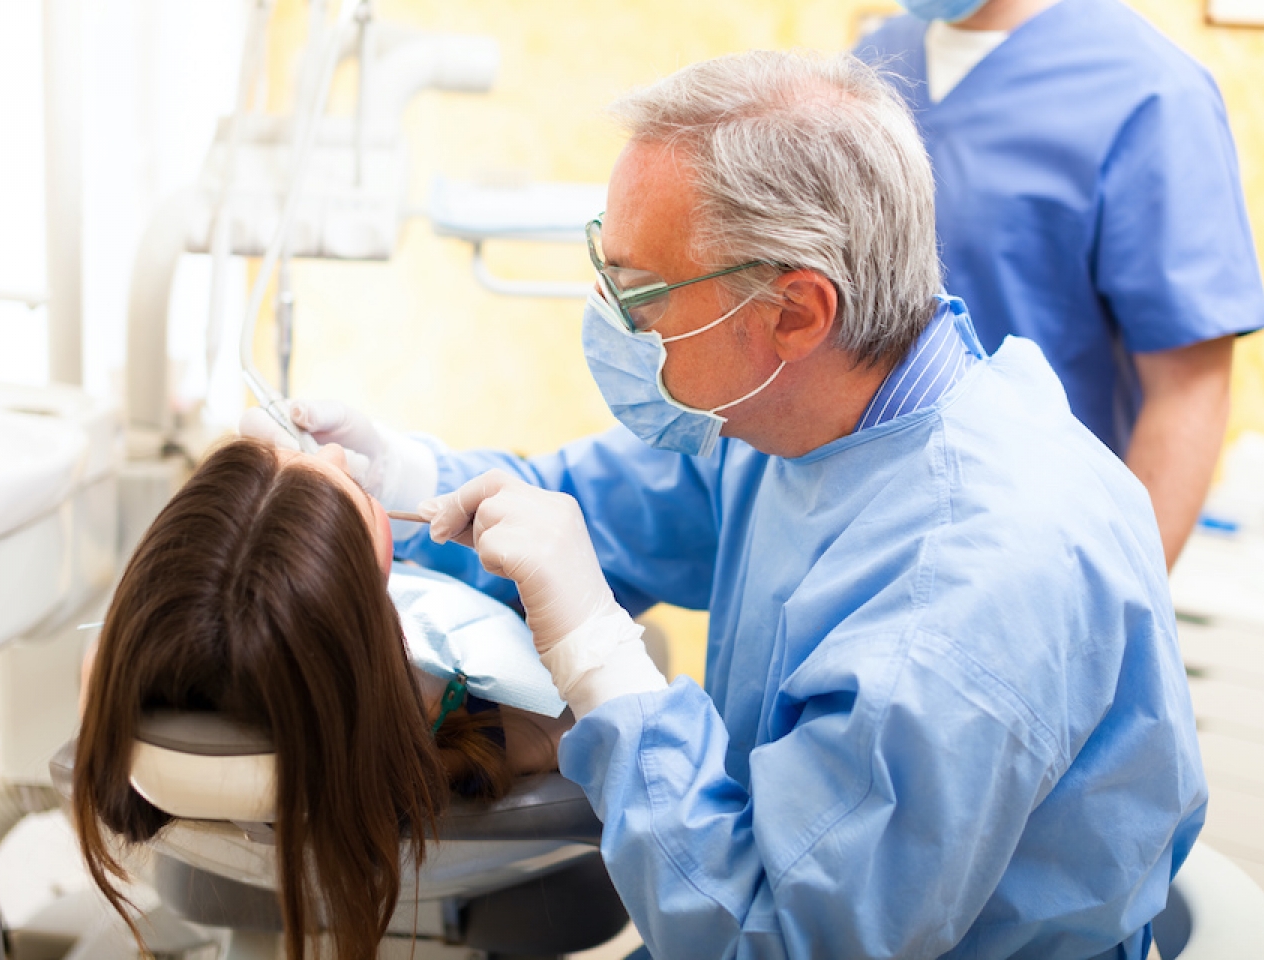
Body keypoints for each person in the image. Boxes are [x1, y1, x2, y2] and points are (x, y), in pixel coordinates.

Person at [246, 50, 1206, 959]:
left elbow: (773, 936)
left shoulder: (961, 594)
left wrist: (601, 659)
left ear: (795, 311)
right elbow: (589, 510)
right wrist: (407, 477)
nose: (617, 322)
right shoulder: (808, 420)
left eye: (640, 295)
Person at [71, 439, 567, 960]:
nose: (331, 453)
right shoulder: (508, 719)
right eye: (349, 491)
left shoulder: (112, 676)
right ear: (375, 580)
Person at [855, 0, 1264, 568]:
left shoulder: (1149, 91)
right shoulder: (867, 69)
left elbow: (1188, 392)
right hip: (849, 538)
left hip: (1033, 556)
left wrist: (1112, 603)